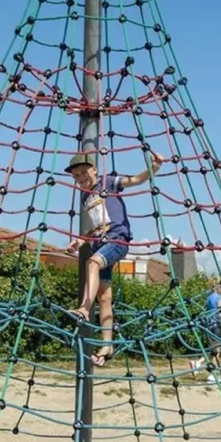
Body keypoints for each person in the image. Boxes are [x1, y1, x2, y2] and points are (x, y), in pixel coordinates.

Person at [67, 148, 166, 366]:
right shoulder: (85, 197)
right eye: (76, 176)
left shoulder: (108, 182)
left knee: (91, 263)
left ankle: (84, 309)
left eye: (84, 173)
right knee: (104, 296)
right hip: (101, 243)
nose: (81, 178)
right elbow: (96, 226)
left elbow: (137, 180)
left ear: (94, 169)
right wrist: (81, 240)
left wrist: (155, 166)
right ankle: (107, 344)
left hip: (117, 240)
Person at [190, 278, 221, 383]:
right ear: (218, 286)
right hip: (216, 327)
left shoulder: (209, 297)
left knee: (213, 350)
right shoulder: (220, 298)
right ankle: (212, 376)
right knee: (217, 352)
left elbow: (207, 311)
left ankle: (197, 363)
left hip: (208, 326)